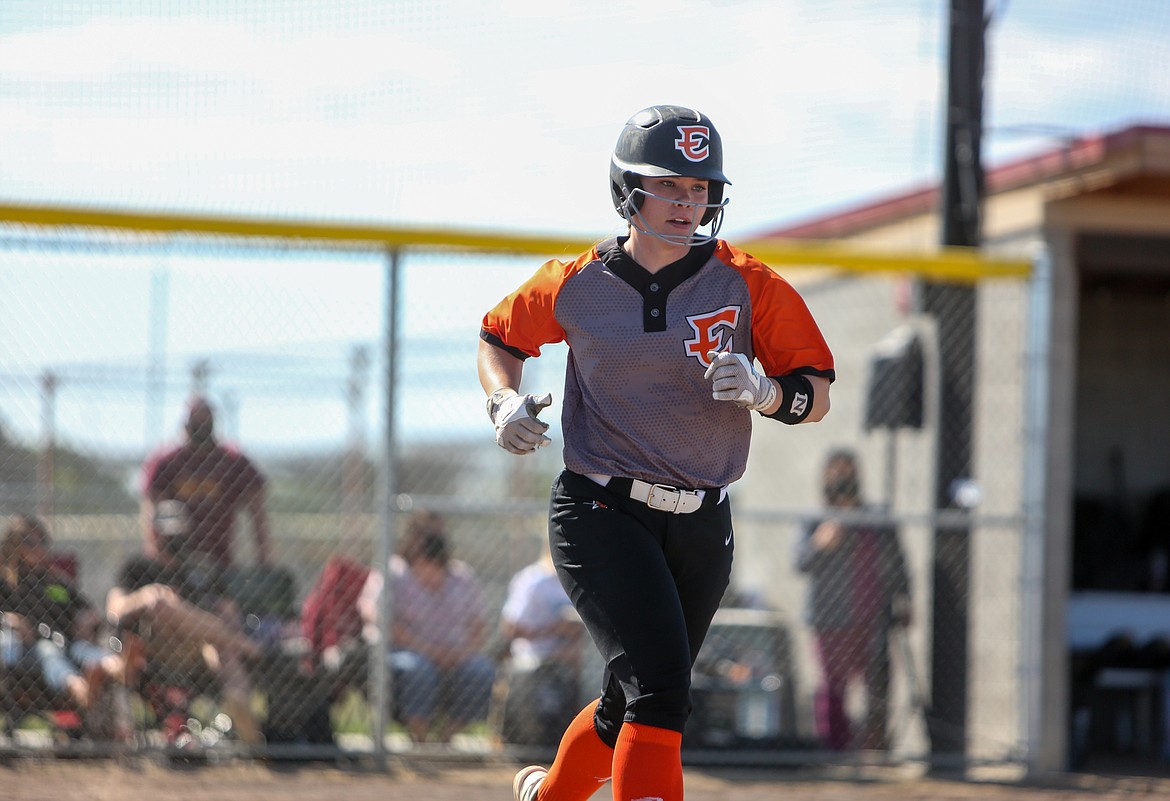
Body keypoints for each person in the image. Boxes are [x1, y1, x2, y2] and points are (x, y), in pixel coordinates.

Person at [477, 105, 834, 801]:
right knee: (662, 690)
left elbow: (815, 392)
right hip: (600, 507)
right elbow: (498, 337)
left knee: (630, 701)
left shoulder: (747, 282)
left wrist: (765, 391)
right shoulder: (578, 280)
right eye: (669, 184)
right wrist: (502, 402)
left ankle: (545, 795)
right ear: (627, 189)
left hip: (703, 520)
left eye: (700, 188)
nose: (687, 202)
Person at [106, 513, 264, 746]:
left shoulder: (201, 567)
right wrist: (148, 594)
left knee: (223, 649)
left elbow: (228, 610)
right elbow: (115, 609)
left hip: (199, 652)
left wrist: (203, 617)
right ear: (154, 534)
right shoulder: (137, 567)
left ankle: (244, 715)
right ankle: (248, 647)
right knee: (162, 605)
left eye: (179, 534)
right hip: (153, 650)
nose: (174, 540)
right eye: (168, 534)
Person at [795, 448, 911, 751]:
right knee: (834, 686)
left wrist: (905, 599)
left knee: (878, 686)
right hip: (830, 619)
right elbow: (800, 563)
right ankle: (835, 748)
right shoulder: (815, 518)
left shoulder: (876, 517)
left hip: (873, 618)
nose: (842, 479)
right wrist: (821, 543)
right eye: (835, 472)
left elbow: (898, 562)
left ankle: (875, 747)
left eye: (847, 472)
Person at [358, 514, 495, 744]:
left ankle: (445, 742)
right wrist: (430, 651)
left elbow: (479, 625)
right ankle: (419, 741)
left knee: (480, 670)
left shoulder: (460, 575)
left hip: (454, 655)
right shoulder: (393, 572)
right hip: (405, 651)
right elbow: (380, 620)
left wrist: (462, 653)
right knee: (418, 668)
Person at [0, 515, 140, 729]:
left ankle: (119, 668)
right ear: (14, 546)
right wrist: (8, 619)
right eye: (29, 542)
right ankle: (81, 690)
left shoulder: (56, 580)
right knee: (49, 652)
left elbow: (85, 608)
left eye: (42, 542)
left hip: (67, 640)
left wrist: (86, 618)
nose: (38, 548)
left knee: (85, 649)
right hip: (28, 651)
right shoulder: (6, 581)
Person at [140, 395, 270, 569]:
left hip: (220, 562)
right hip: (173, 562)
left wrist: (264, 560)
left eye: (205, 421)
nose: (201, 427)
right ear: (186, 423)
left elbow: (257, 512)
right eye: (196, 421)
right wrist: (157, 558)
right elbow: (152, 513)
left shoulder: (232, 461)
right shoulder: (167, 462)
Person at [498, 550, 583, 745]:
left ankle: (562, 745)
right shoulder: (532, 581)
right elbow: (510, 628)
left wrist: (572, 633)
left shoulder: (574, 579)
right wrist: (553, 630)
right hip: (531, 655)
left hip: (563, 659)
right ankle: (527, 744)